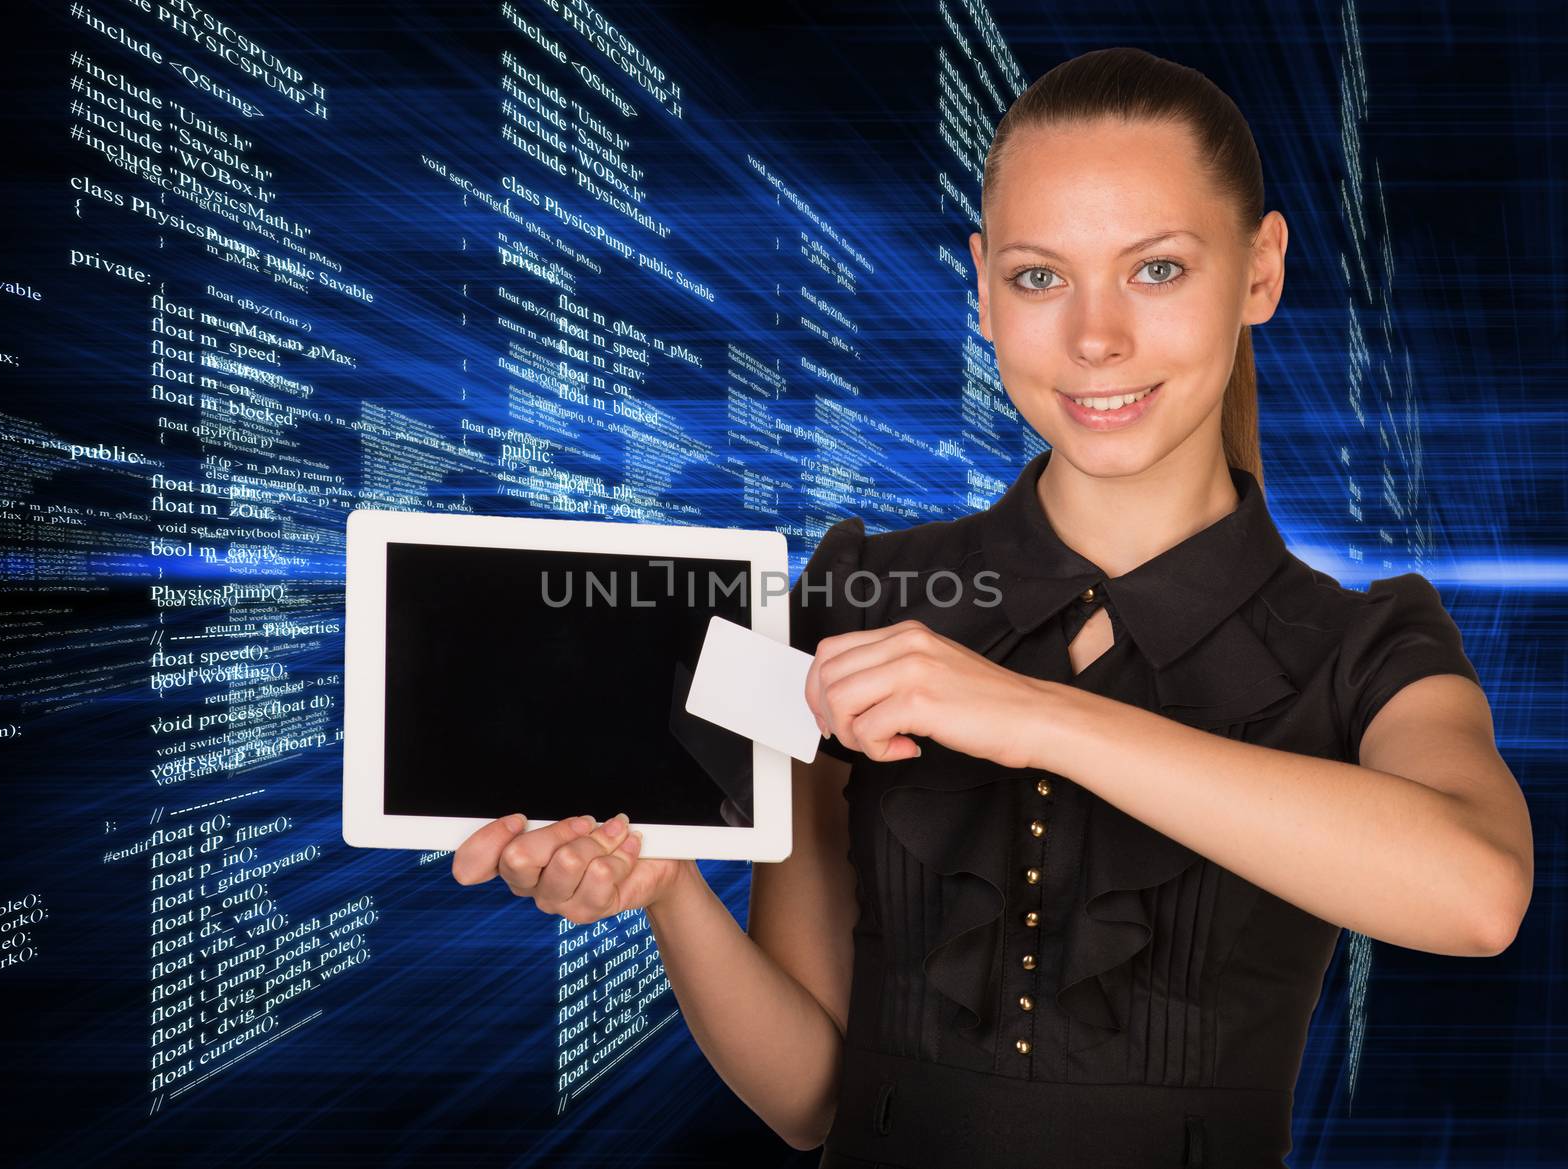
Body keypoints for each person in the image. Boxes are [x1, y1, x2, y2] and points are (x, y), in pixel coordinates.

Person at [451, 46, 1533, 1168]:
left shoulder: (1365, 644)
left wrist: (1033, 714)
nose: (1094, 338)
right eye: (1037, 276)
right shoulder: (856, 597)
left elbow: (1477, 892)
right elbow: (812, 1099)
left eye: (1156, 269)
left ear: (1259, 271)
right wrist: (670, 890)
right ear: (980, 286)